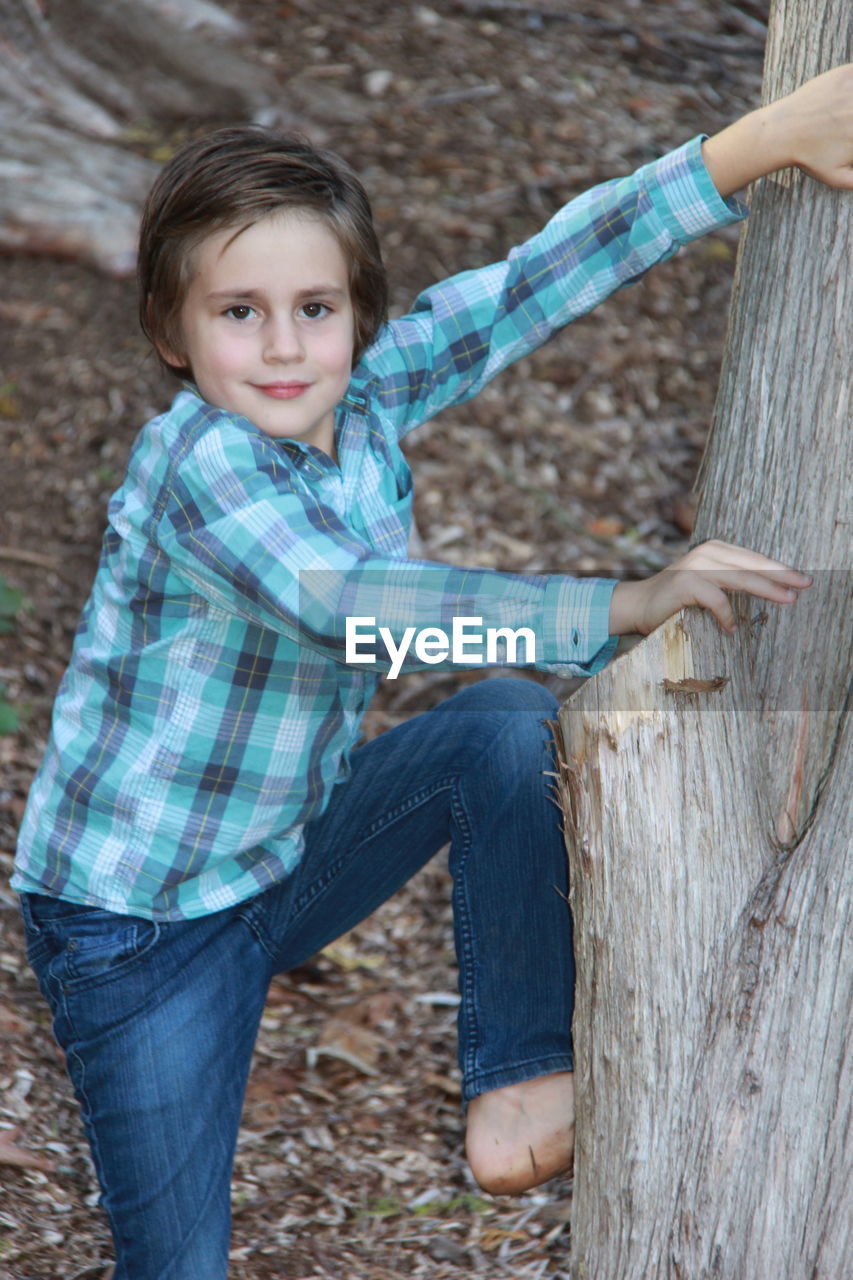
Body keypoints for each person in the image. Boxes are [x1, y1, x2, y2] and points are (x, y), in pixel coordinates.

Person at [12, 62, 853, 1279]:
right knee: (179, 1264)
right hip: (136, 932)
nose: (287, 346)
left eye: (317, 307)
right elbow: (359, 608)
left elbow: (525, 286)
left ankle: (515, 1084)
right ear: (170, 333)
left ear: (357, 315)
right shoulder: (198, 466)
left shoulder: (360, 398)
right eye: (238, 312)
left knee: (502, 731)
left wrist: (753, 145)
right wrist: (618, 601)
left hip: (273, 861)